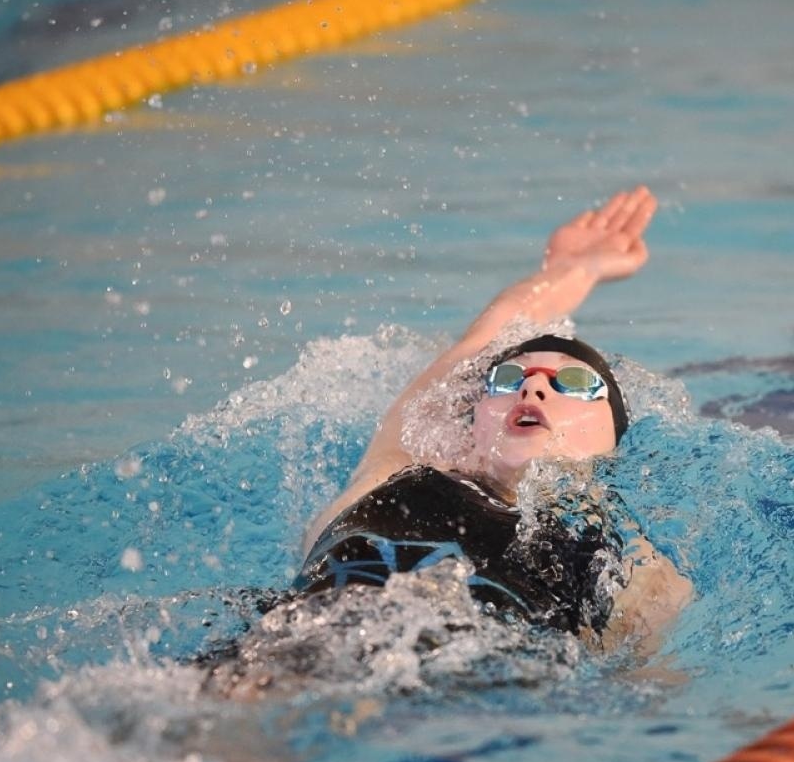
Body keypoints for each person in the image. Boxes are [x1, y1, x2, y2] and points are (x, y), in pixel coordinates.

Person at [290, 185, 690, 655]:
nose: (532, 388)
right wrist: (573, 269)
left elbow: (641, 681)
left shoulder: (639, 565)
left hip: (482, 679)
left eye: (575, 382)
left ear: (615, 438)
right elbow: (481, 340)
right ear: (473, 423)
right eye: (508, 378)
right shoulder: (396, 470)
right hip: (298, 645)